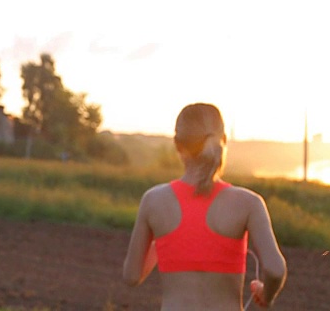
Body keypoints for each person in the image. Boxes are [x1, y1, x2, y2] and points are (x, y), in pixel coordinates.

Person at [123, 103, 287, 310]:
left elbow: (131, 276)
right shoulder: (249, 203)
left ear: (177, 144)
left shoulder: (153, 200)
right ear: (224, 140)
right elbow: (275, 270)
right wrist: (267, 296)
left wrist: (164, 244)